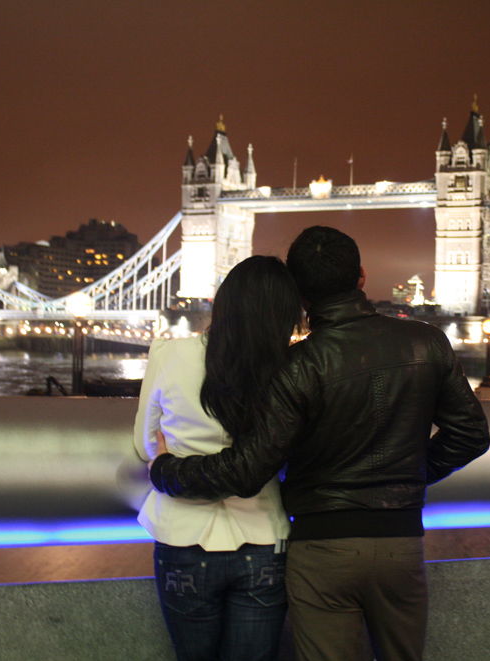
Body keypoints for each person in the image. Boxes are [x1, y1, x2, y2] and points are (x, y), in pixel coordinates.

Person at [151, 226, 490, 660]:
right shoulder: (427, 342)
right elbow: (471, 436)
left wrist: (165, 471)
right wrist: (410, 474)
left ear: (300, 294)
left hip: (321, 548)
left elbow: (246, 470)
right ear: (362, 277)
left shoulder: (297, 366)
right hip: (400, 542)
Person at [133, 255, 303, 661]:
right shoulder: (291, 367)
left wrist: (167, 457)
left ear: (222, 303)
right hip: (263, 538)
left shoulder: (169, 355)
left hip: (182, 537)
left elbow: (144, 446)